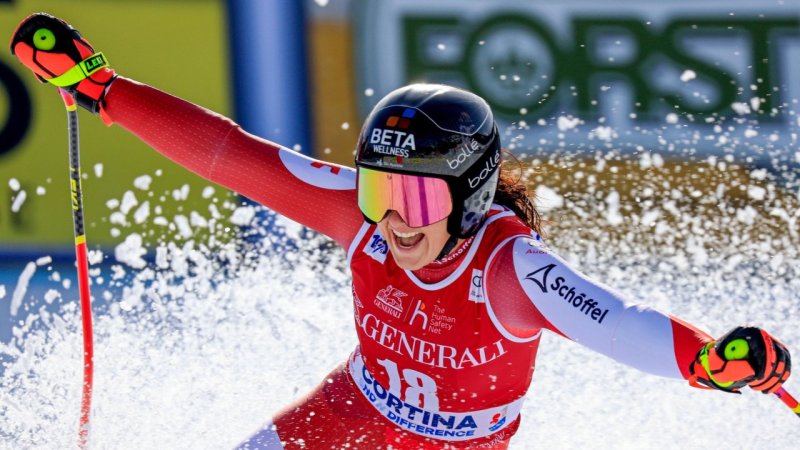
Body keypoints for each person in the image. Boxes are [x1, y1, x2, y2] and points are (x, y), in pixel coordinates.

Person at [10, 13, 792, 450]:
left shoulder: (511, 269)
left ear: (472, 197)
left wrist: (711, 365)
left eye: (418, 203)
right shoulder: (361, 217)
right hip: (346, 414)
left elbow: (620, 326)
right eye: (381, 191)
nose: (392, 221)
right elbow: (231, 155)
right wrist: (102, 90)